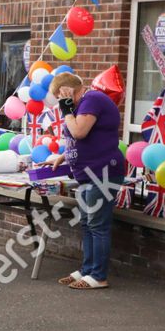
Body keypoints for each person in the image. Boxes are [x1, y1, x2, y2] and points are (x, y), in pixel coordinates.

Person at [50, 68, 125, 290]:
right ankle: (87, 269)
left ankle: (99, 276)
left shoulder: (91, 99)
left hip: (102, 172)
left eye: (59, 97)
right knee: (87, 223)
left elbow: (79, 131)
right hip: (87, 174)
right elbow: (81, 139)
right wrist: (63, 156)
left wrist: (66, 108)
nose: (59, 103)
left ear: (67, 91)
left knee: (97, 224)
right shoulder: (83, 104)